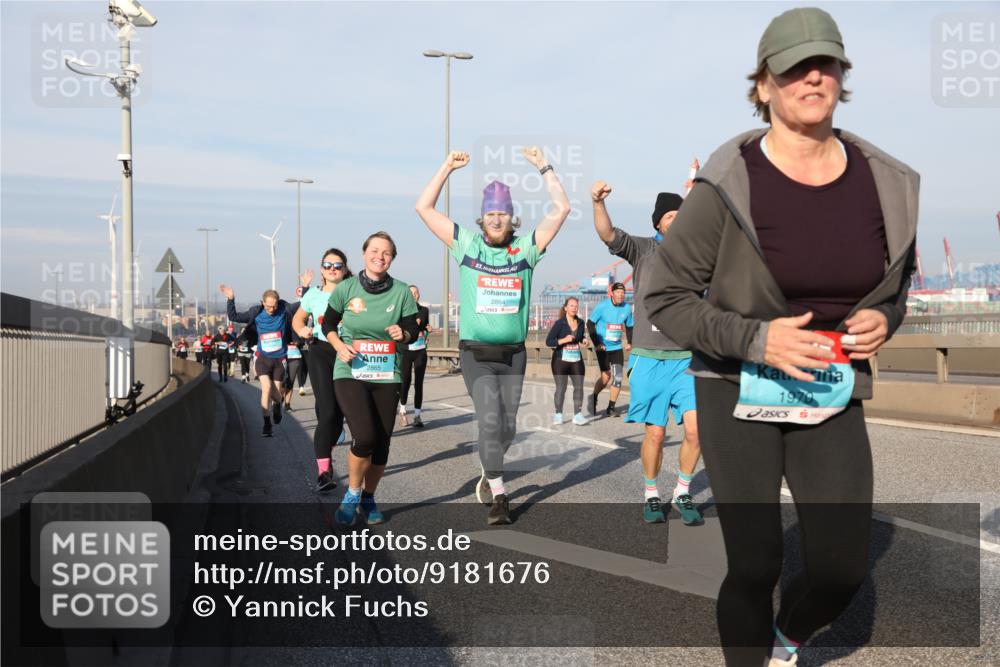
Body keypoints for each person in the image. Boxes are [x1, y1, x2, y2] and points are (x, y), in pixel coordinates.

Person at [642, 8, 919, 666]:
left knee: (842, 565)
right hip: (739, 382)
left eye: (825, 63)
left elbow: (897, 284)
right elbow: (666, 296)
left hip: (829, 383)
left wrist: (888, 318)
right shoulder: (727, 182)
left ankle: (787, 637)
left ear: (843, 75)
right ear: (763, 84)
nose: (811, 75)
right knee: (757, 558)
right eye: (793, 66)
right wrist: (757, 340)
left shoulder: (885, 182)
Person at [416, 146, 571, 525]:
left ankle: (491, 470)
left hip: (514, 354)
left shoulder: (526, 250)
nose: (497, 219)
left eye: (502, 213)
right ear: (482, 218)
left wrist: (543, 166)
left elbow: (562, 209)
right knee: (489, 421)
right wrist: (446, 167)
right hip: (476, 353)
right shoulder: (467, 245)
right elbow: (424, 208)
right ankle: (500, 497)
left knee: (507, 427)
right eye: (490, 214)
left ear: (511, 216)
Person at [592, 185, 705, 528]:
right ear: (659, 224)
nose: (678, 220)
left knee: (697, 432)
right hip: (649, 356)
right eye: (672, 216)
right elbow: (607, 233)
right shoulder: (642, 250)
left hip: (687, 358)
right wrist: (598, 202)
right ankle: (652, 494)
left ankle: (683, 491)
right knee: (655, 433)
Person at [321, 232, 420, 526]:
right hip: (350, 369)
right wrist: (339, 345)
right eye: (375, 250)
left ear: (392, 258)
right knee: (364, 435)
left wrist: (404, 334)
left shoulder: (401, 291)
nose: (380, 256)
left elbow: (412, 329)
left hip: (387, 373)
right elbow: (327, 323)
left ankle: (369, 496)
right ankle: (352, 492)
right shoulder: (346, 288)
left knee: (382, 442)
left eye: (387, 252)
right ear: (364, 254)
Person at [293, 250, 353, 492]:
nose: (332, 269)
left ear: (345, 268)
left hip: (348, 353)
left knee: (338, 417)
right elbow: (297, 320)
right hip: (321, 352)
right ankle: (324, 472)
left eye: (337, 265)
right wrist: (302, 330)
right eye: (327, 265)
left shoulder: (354, 292)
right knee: (327, 413)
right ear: (321, 269)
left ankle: (330, 448)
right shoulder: (313, 296)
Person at [221, 284, 300, 436]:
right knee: (266, 388)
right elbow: (234, 317)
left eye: (275, 306)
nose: (272, 309)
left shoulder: (284, 310)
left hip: (279, 359)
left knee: (277, 394)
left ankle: (277, 405)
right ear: (263, 302)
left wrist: (305, 287)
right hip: (262, 358)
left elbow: (304, 304)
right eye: (269, 306)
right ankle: (266, 424)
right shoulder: (255, 313)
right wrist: (231, 299)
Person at [586, 282, 633, 417]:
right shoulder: (602, 306)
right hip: (603, 347)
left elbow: (629, 325)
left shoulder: (627, 308)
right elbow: (590, 324)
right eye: (618, 292)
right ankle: (593, 397)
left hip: (617, 347)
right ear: (611, 293)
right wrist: (596, 343)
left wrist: (630, 342)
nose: (621, 295)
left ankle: (611, 407)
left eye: (623, 293)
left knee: (618, 378)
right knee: (606, 378)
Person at [545, 297, 589, 425]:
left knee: (579, 386)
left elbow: (580, 337)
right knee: (561, 388)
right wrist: (564, 340)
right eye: (571, 306)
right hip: (560, 360)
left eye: (576, 306)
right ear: (565, 308)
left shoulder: (581, 323)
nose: (574, 308)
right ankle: (558, 414)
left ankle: (578, 415)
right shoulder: (560, 323)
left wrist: (584, 341)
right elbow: (549, 341)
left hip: (576, 359)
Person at [398, 284, 432, 428]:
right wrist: (421, 326)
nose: (414, 295)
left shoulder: (424, 310)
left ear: (419, 295)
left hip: (420, 350)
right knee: (405, 381)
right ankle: (403, 410)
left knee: (419, 383)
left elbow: (421, 323)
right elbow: (415, 324)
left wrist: (427, 328)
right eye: (411, 293)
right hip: (405, 350)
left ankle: (417, 415)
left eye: (416, 292)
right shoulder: (401, 311)